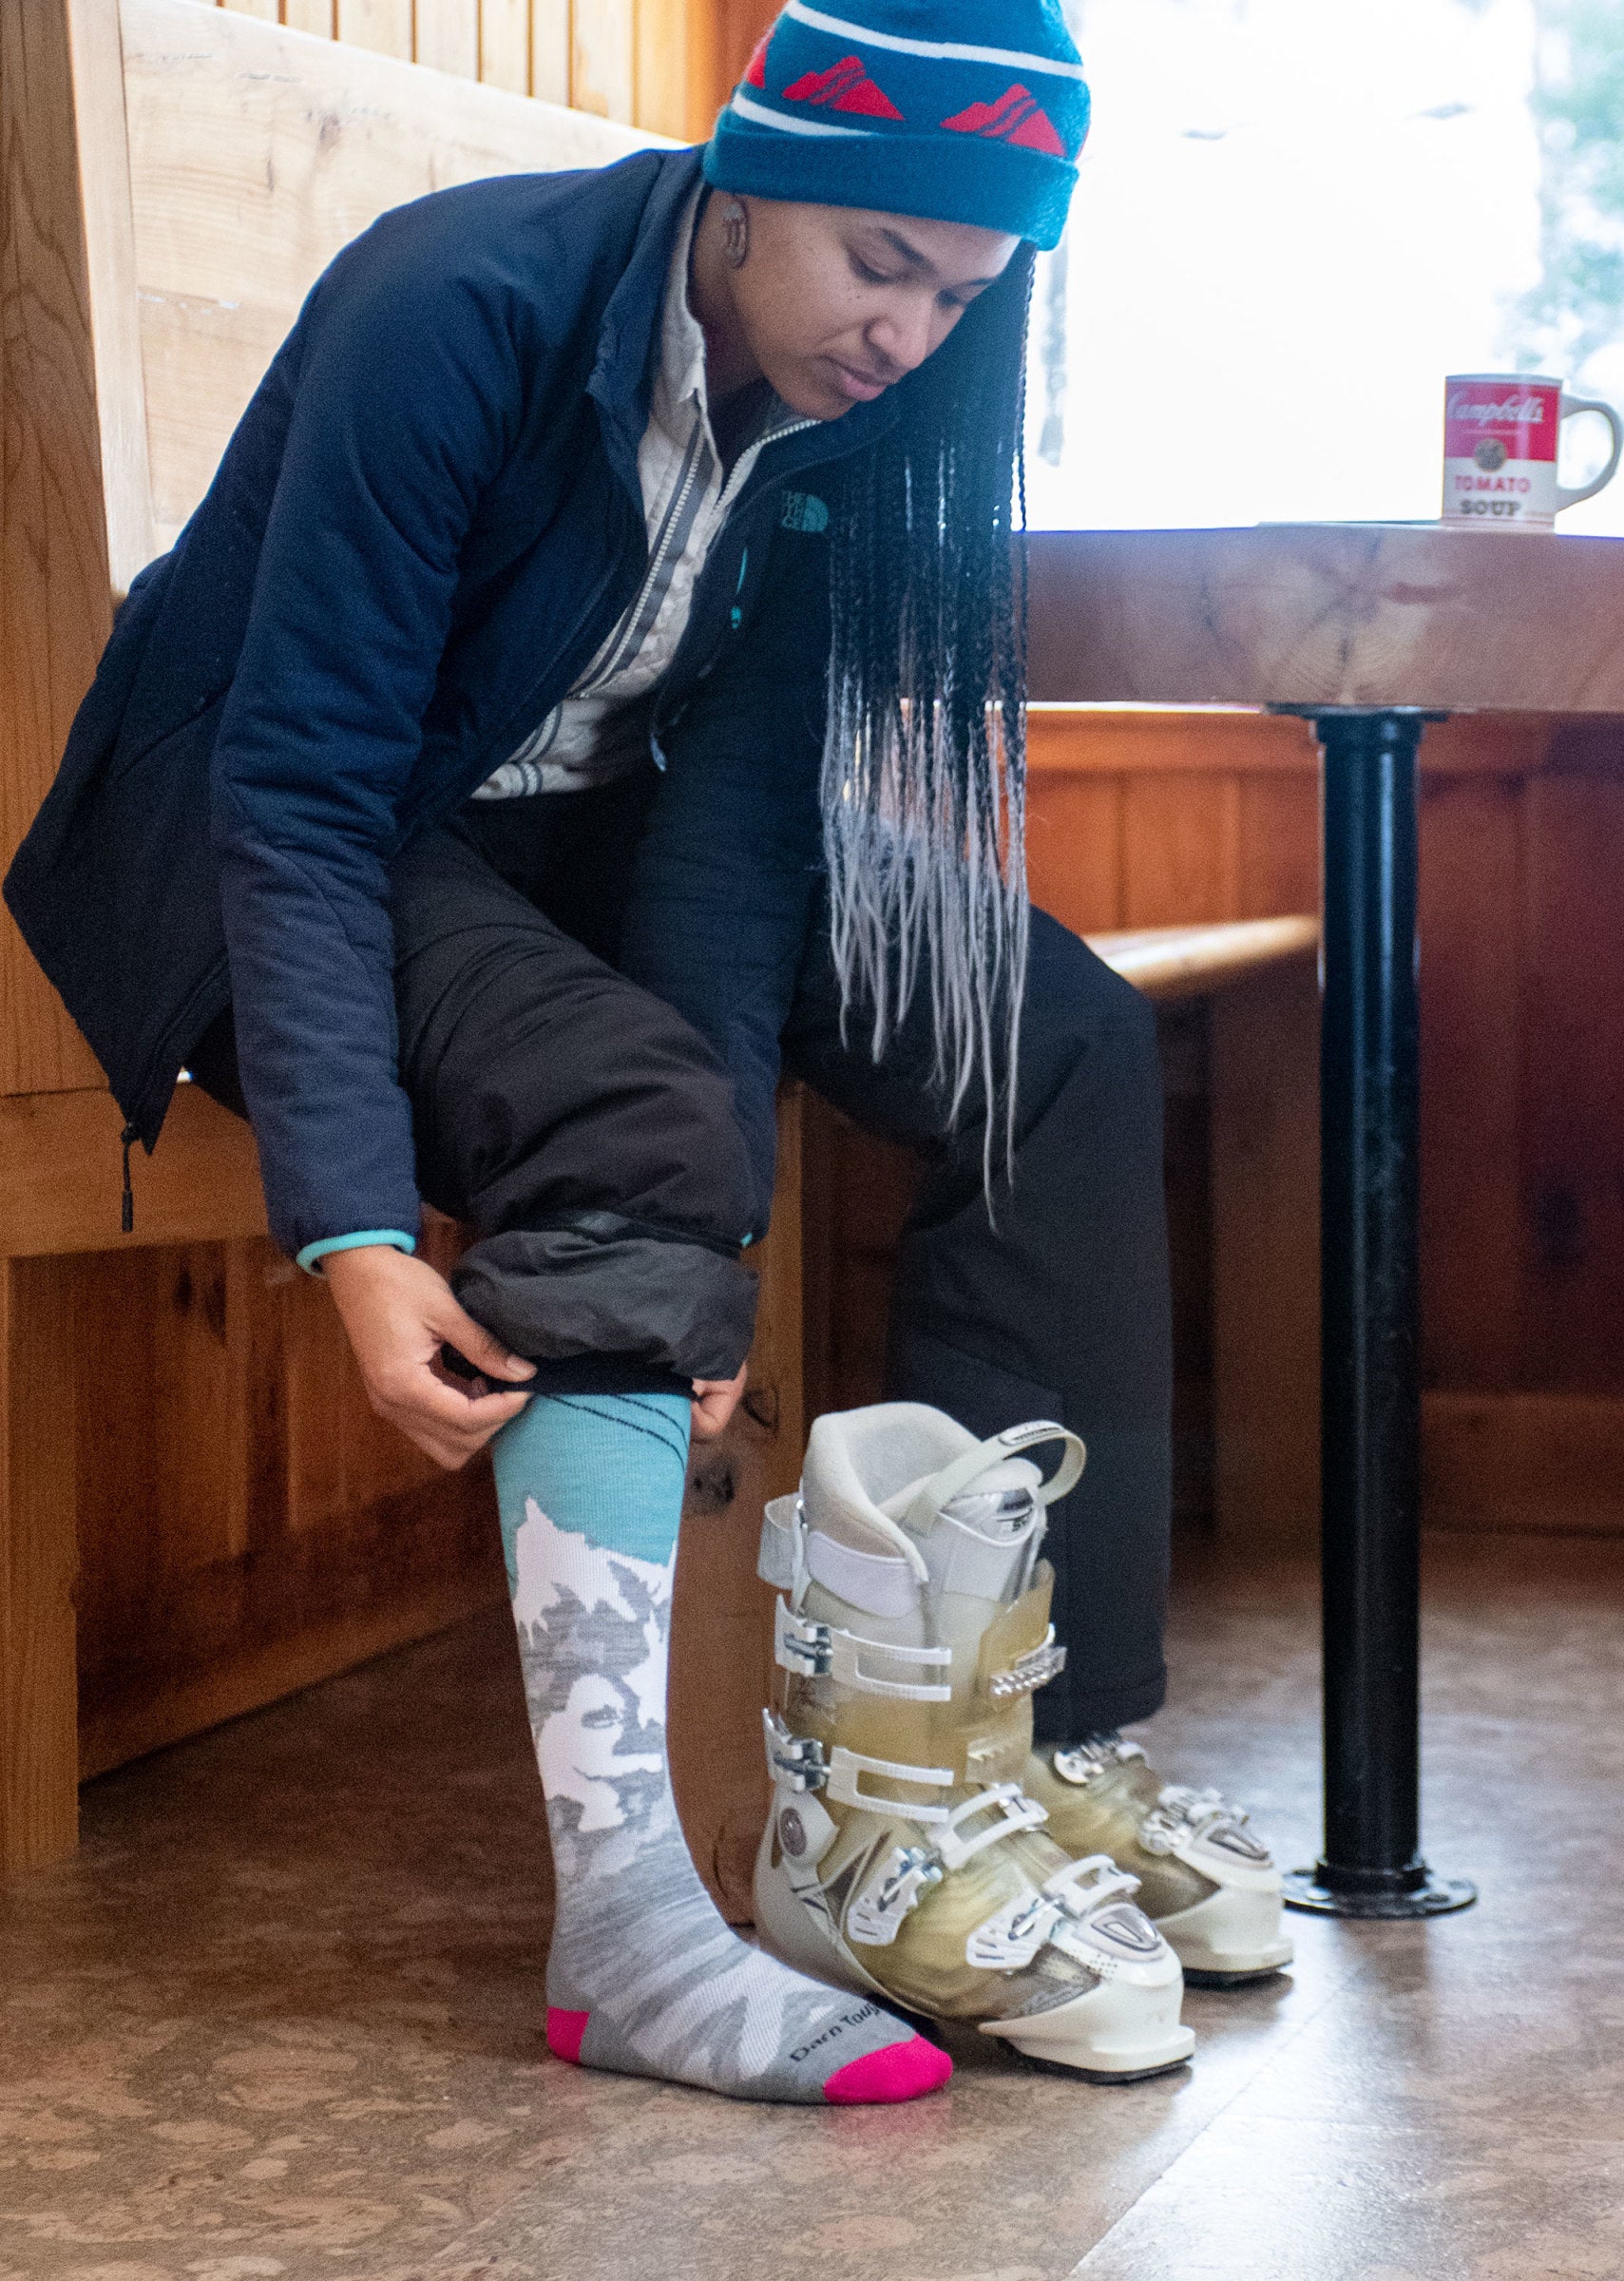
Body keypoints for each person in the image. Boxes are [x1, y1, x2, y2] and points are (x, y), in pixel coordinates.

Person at [6, 0, 1288, 2105]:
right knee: (626, 1114)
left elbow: (736, 825)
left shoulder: (862, 407)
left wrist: (722, 1229)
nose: (909, 334)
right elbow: (299, 785)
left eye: (964, 296)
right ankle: (626, 1938)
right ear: (751, 176)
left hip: (563, 827)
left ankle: (1002, 1761)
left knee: (1049, 1039)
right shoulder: (459, 308)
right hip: (254, 830)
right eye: (883, 264)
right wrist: (351, 1229)